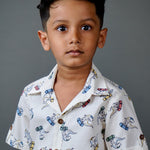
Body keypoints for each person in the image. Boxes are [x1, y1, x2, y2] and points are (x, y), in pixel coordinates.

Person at [6, 0, 149, 149]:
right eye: (62, 28)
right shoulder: (30, 95)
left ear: (101, 37)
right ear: (45, 39)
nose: (74, 38)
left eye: (86, 27)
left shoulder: (114, 99)